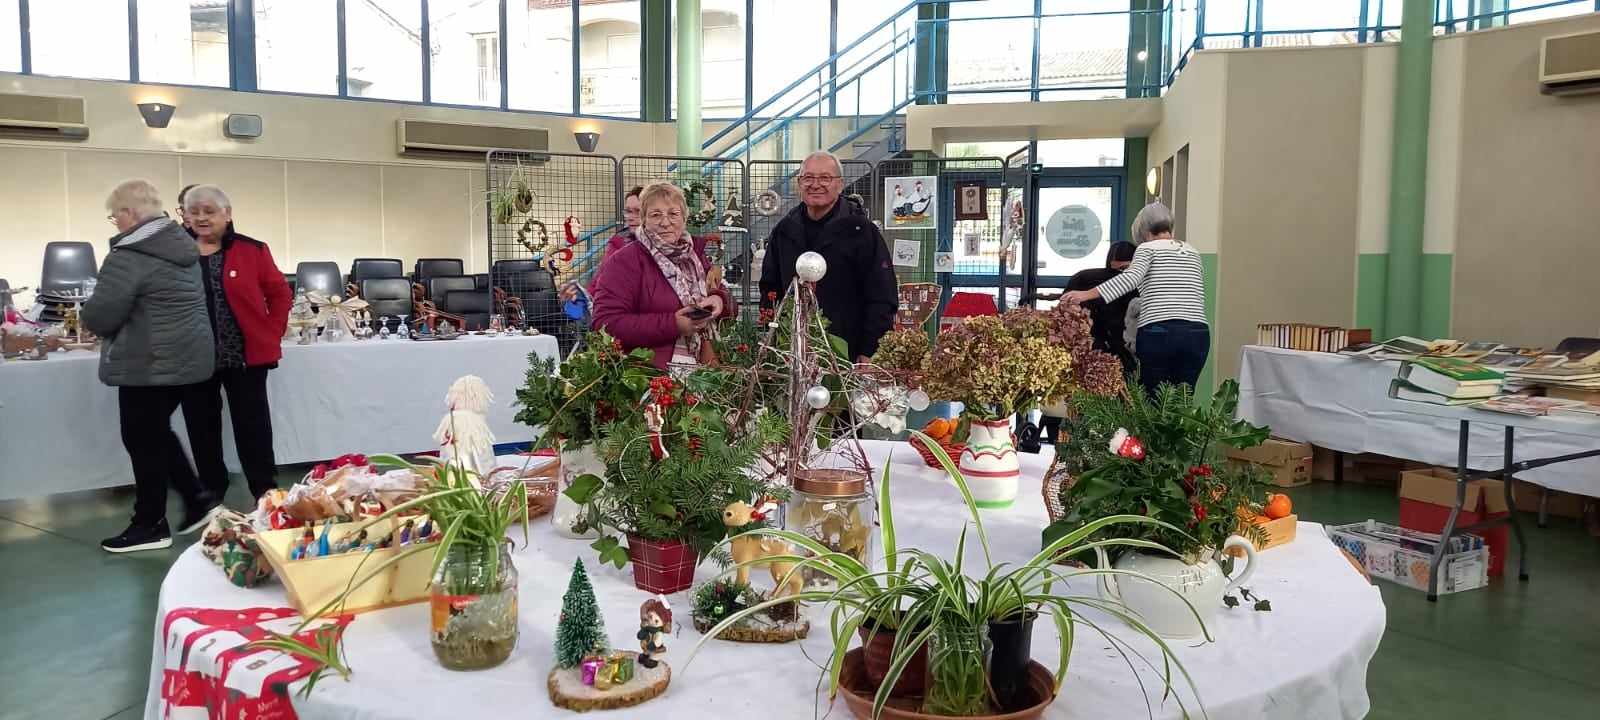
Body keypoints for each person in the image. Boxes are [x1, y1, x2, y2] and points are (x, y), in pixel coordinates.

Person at [81, 179, 219, 553]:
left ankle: (150, 523)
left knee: (143, 438)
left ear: (129, 214)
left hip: (149, 360)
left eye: (114, 216)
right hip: (185, 357)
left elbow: (101, 315)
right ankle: (197, 501)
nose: (114, 223)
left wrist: (85, 312)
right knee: (154, 433)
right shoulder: (182, 247)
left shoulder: (130, 255)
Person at [179, 184, 292, 502]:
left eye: (209, 211)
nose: (202, 218)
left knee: (253, 425)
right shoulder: (171, 254)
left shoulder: (252, 250)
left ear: (226, 215)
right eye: (194, 212)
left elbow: (280, 293)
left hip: (245, 354)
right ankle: (212, 490)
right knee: (201, 426)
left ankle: (264, 491)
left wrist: (273, 331)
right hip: (192, 357)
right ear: (185, 217)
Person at [760, 151, 899, 363]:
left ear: (840, 184)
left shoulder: (861, 231)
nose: (815, 184)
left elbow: (882, 295)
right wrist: (771, 340)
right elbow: (770, 289)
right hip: (791, 353)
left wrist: (870, 350)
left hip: (848, 354)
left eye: (825, 178)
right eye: (808, 178)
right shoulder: (784, 231)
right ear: (799, 183)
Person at [590, 182, 735, 369]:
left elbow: (732, 307)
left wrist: (719, 299)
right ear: (644, 219)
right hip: (650, 377)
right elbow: (605, 323)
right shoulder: (625, 261)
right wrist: (673, 325)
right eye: (656, 215)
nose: (665, 222)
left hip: (704, 371)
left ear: (684, 218)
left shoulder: (696, 256)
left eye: (673, 214)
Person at [1064, 215, 1208, 396]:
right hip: (1198, 333)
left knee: (1155, 400)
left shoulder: (1147, 248)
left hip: (1160, 332)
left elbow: (1130, 279)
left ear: (1144, 233)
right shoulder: (1192, 251)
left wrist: (1085, 294)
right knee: (1183, 399)